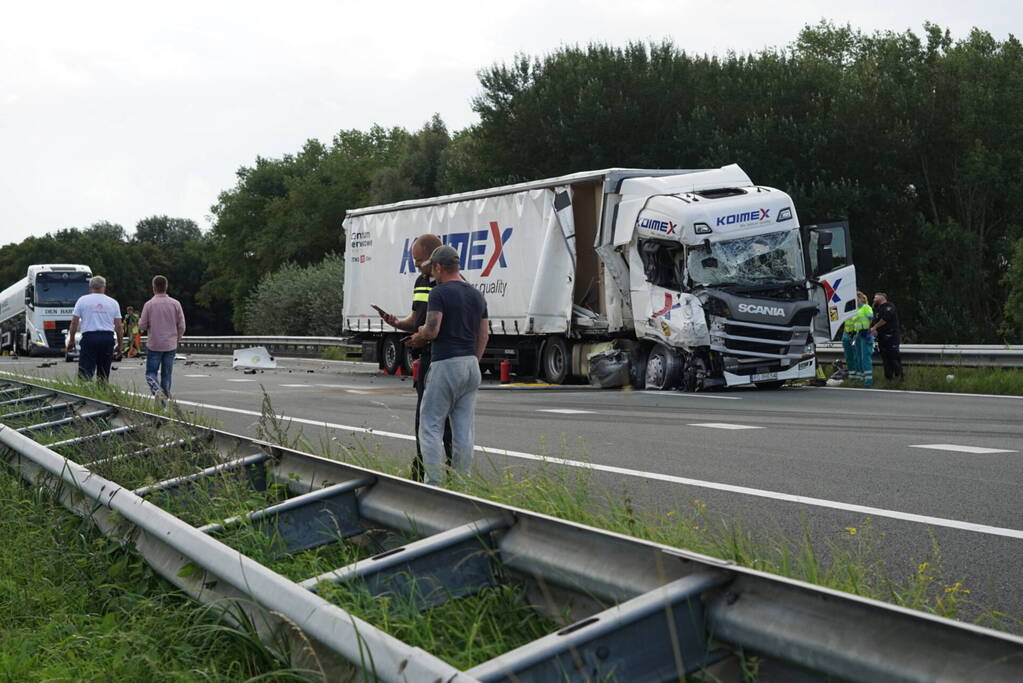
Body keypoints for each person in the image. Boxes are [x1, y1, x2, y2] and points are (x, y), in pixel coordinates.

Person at [410, 245, 489, 486]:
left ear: (438, 267)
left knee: (430, 426)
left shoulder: (439, 293)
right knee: (463, 431)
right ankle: (461, 485)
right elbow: (484, 335)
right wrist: (473, 360)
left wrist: (421, 330)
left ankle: (433, 485)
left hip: (446, 363)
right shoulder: (477, 295)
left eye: (432, 268)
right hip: (471, 366)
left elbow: (433, 331)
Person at [377, 233, 453, 481]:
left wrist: (424, 336)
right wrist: (396, 322)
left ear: (432, 258)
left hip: (440, 355)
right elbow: (415, 320)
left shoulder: (445, 284)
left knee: (440, 419)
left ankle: (445, 469)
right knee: (425, 417)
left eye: (418, 259)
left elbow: (436, 327)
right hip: (427, 356)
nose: (415, 264)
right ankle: (422, 468)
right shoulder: (421, 281)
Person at [65, 276, 123, 382]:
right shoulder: (113, 302)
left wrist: (72, 339)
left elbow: (74, 322)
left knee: (85, 372)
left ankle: (85, 394)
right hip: (107, 338)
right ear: (104, 287)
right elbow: (119, 326)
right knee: (104, 373)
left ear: (90, 287)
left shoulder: (82, 300)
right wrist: (120, 344)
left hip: (89, 338)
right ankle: (102, 394)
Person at [139, 275, 186, 398]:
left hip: (154, 344)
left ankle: (156, 389)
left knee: (151, 372)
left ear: (153, 287)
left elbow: (142, 326)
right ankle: (165, 395)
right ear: (166, 287)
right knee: (166, 373)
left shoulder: (149, 305)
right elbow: (182, 326)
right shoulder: (176, 304)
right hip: (170, 344)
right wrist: (177, 338)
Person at [870, 292, 902, 380]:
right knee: (885, 360)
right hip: (882, 338)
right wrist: (875, 330)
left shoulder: (889, 306)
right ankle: (889, 379)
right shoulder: (877, 309)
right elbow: (875, 322)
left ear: (882, 297)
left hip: (891, 337)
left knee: (894, 358)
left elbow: (885, 318)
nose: (874, 298)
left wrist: (875, 327)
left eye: (875, 297)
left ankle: (899, 377)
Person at [851, 290, 874, 387]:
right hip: (858, 334)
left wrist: (868, 329)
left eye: (856, 298)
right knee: (858, 357)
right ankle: (861, 377)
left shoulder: (866, 307)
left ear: (860, 298)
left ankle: (868, 380)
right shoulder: (855, 310)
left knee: (865, 357)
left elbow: (871, 318)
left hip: (865, 334)